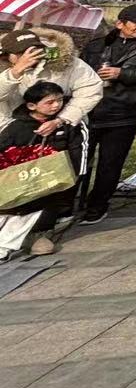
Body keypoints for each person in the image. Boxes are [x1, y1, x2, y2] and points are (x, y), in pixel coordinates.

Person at [77, 4, 136, 225]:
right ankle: (73, 202)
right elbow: (80, 69)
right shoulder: (97, 45)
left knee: (110, 163)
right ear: (120, 23)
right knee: (80, 160)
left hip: (125, 112)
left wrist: (123, 73)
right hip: (91, 110)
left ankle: (98, 205)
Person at [0, 81, 84, 259]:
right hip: (22, 181)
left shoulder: (69, 123)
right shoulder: (16, 127)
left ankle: (39, 234)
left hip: (54, 181)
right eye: (49, 102)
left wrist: (73, 175)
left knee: (47, 206)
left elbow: (78, 151)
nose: (56, 105)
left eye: (60, 100)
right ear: (32, 106)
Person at [0, 27, 100, 128]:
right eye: (21, 52)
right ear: (7, 55)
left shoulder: (68, 63)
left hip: (61, 126)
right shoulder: (3, 66)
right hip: (11, 127)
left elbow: (90, 90)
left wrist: (62, 119)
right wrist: (14, 73)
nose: (29, 55)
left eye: (34, 49)